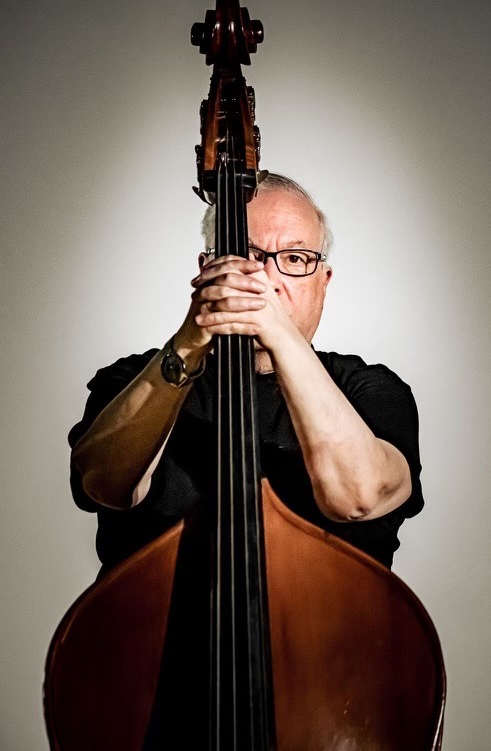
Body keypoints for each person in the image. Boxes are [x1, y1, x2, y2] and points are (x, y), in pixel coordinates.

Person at [69, 173, 423, 573]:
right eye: (247, 256)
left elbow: (359, 497)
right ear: (206, 270)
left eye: (294, 259)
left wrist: (280, 336)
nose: (266, 281)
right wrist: (189, 340)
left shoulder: (369, 390)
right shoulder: (136, 380)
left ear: (323, 283)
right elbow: (102, 484)